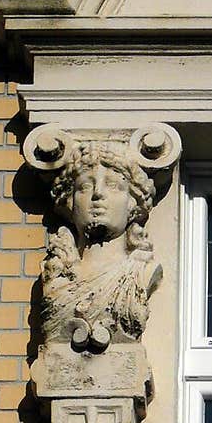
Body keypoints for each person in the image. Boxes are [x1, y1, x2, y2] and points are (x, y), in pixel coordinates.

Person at [40, 140, 162, 350]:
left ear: (132, 203)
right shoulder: (55, 272)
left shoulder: (141, 271)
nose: (97, 194)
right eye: (85, 187)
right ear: (69, 202)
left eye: (114, 186)